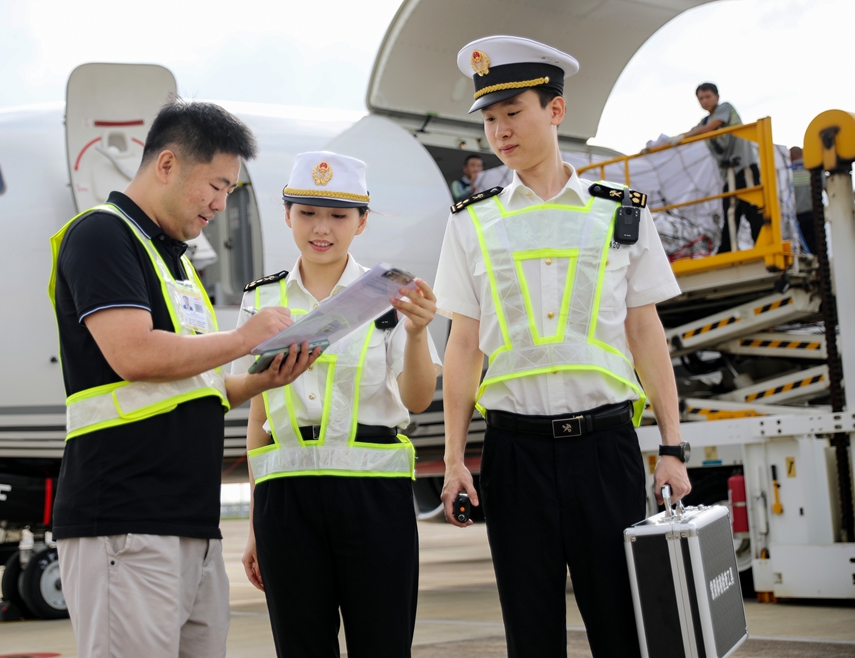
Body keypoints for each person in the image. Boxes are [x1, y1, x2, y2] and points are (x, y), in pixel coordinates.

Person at [434, 36, 692, 658]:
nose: (500, 132)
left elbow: (644, 331)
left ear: (555, 110)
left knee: (620, 628)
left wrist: (674, 447)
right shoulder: (470, 221)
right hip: (515, 453)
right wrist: (452, 458)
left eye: (513, 113)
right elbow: (463, 345)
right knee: (531, 632)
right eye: (490, 120)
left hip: (607, 448)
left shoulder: (619, 214)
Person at [48, 100, 320, 658]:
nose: (220, 205)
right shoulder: (102, 236)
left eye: (229, 192)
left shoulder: (176, 261)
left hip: (189, 521)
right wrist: (247, 339)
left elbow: (200, 387)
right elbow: (133, 354)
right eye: (216, 186)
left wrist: (263, 380)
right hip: (124, 517)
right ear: (167, 165)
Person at [236, 151, 442, 658]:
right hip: (287, 505)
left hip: (373, 500)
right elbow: (259, 418)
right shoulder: (262, 301)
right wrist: (256, 523)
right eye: (307, 213)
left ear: (362, 221)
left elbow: (416, 400)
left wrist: (418, 333)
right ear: (287, 216)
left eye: (337, 215)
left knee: (383, 646)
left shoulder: (388, 299)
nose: (320, 228)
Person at [670, 83, 763, 253]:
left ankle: (762, 244)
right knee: (730, 210)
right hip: (729, 174)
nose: (704, 101)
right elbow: (695, 133)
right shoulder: (704, 122)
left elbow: (709, 128)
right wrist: (666, 143)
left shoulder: (724, 109)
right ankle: (727, 248)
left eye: (707, 97)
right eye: (701, 98)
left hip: (743, 167)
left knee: (752, 208)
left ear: (717, 97)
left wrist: (682, 137)